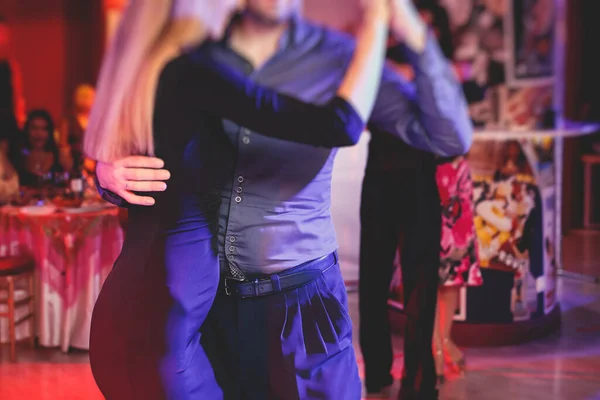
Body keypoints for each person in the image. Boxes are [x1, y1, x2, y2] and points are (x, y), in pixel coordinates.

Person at [95, 0, 473, 398]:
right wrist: (106, 173)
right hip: (215, 308)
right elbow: (153, 146)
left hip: (302, 302)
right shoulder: (195, 54)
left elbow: (448, 136)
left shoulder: (338, 59)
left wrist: (412, 31)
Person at [15, 109, 62, 187]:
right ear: (27, 130)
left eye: (44, 129)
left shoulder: (58, 157)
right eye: (34, 128)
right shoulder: (18, 156)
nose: (39, 134)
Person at [58, 83, 95, 173]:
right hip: (73, 164)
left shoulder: (96, 121)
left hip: (94, 165)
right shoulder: (69, 120)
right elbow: (63, 145)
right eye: (85, 97)